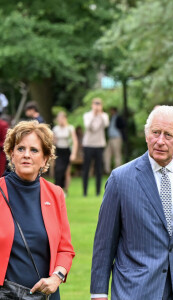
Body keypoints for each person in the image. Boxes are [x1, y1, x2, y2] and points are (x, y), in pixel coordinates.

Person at [91, 105, 173, 300]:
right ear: (147, 135)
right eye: (155, 133)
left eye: (168, 135)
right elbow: (104, 244)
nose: (160, 141)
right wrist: (98, 293)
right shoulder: (120, 179)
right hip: (136, 290)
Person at [0, 120, 75, 299]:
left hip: (45, 296)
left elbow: (65, 249)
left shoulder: (55, 194)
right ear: (11, 154)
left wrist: (57, 277)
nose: (26, 155)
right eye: (20, 149)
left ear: (45, 158)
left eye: (34, 150)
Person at [82, 98, 109, 196]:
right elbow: (88, 126)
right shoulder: (87, 115)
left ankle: (98, 192)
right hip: (88, 144)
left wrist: (100, 114)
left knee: (98, 169)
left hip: (99, 145)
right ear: (92, 105)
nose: (97, 106)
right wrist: (94, 115)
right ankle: (84, 191)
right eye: (95, 104)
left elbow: (106, 125)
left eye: (99, 104)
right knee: (86, 168)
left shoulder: (104, 115)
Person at [53, 111, 78, 196]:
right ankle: (57, 188)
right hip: (59, 151)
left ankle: (65, 190)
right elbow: (53, 142)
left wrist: (73, 154)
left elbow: (75, 141)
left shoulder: (70, 128)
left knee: (66, 171)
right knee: (58, 170)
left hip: (67, 151)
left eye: (62, 119)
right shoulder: (56, 129)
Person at [104, 107, 125, 174]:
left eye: (111, 111)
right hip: (111, 138)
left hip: (117, 137)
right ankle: (107, 170)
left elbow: (123, 125)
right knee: (106, 153)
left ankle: (118, 170)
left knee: (117, 154)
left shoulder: (119, 118)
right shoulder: (111, 118)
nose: (110, 112)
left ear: (114, 111)